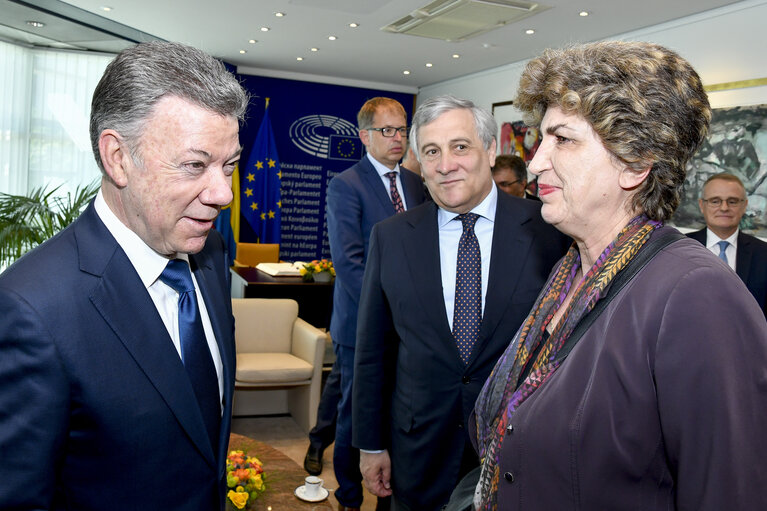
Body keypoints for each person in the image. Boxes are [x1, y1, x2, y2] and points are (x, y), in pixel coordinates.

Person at [471, 41, 767, 510]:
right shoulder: (569, 272)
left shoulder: (696, 294)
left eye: (562, 139)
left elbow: (729, 491)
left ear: (635, 163)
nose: (536, 160)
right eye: (541, 138)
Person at [0, 41, 248, 510]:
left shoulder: (209, 250)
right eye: (195, 165)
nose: (223, 193)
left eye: (229, 164)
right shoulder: (31, 308)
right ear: (117, 158)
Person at [353, 94, 570, 511]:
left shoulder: (549, 232)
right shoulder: (391, 237)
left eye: (460, 147)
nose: (445, 164)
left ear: (490, 150)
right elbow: (372, 354)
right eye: (431, 151)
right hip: (417, 451)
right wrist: (369, 443)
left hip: (515, 450)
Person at [325, 97, 427, 511]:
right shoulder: (346, 185)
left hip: (412, 328)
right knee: (356, 414)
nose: (397, 138)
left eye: (402, 130)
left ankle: (390, 489)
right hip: (361, 326)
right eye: (387, 131)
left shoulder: (418, 185)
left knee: (398, 410)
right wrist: (391, 311)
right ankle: (348, 494)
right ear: (365, 136)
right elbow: (350, 265)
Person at [687, 172, 767, 315]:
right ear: (701, 205)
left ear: (744, 206)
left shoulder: (764, 254)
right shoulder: (679, 248)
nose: (724, 208)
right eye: (715, 201)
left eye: (732, 201)